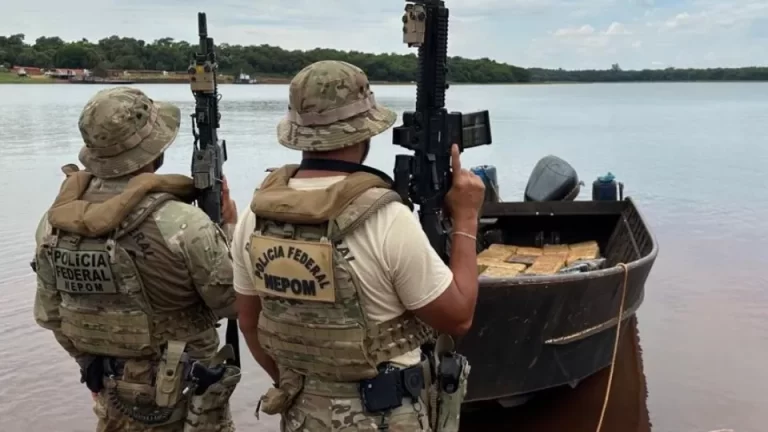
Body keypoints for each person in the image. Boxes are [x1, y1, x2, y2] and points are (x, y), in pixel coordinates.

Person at [232, 60, 486, 431]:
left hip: (302, 416)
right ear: (362, 134)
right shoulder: (385, 218)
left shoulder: (256, 217)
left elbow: (250, 324)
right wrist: (466, 220)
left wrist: (301, 388)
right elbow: (458, 317)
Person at [32, 86, 241, 432]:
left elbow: (51, 314)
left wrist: (94, 368)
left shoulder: (55, 224)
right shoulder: (183, 223)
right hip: (187, 397)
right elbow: (232, 303)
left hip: (110, 389)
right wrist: (228, 225)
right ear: (155, 149)